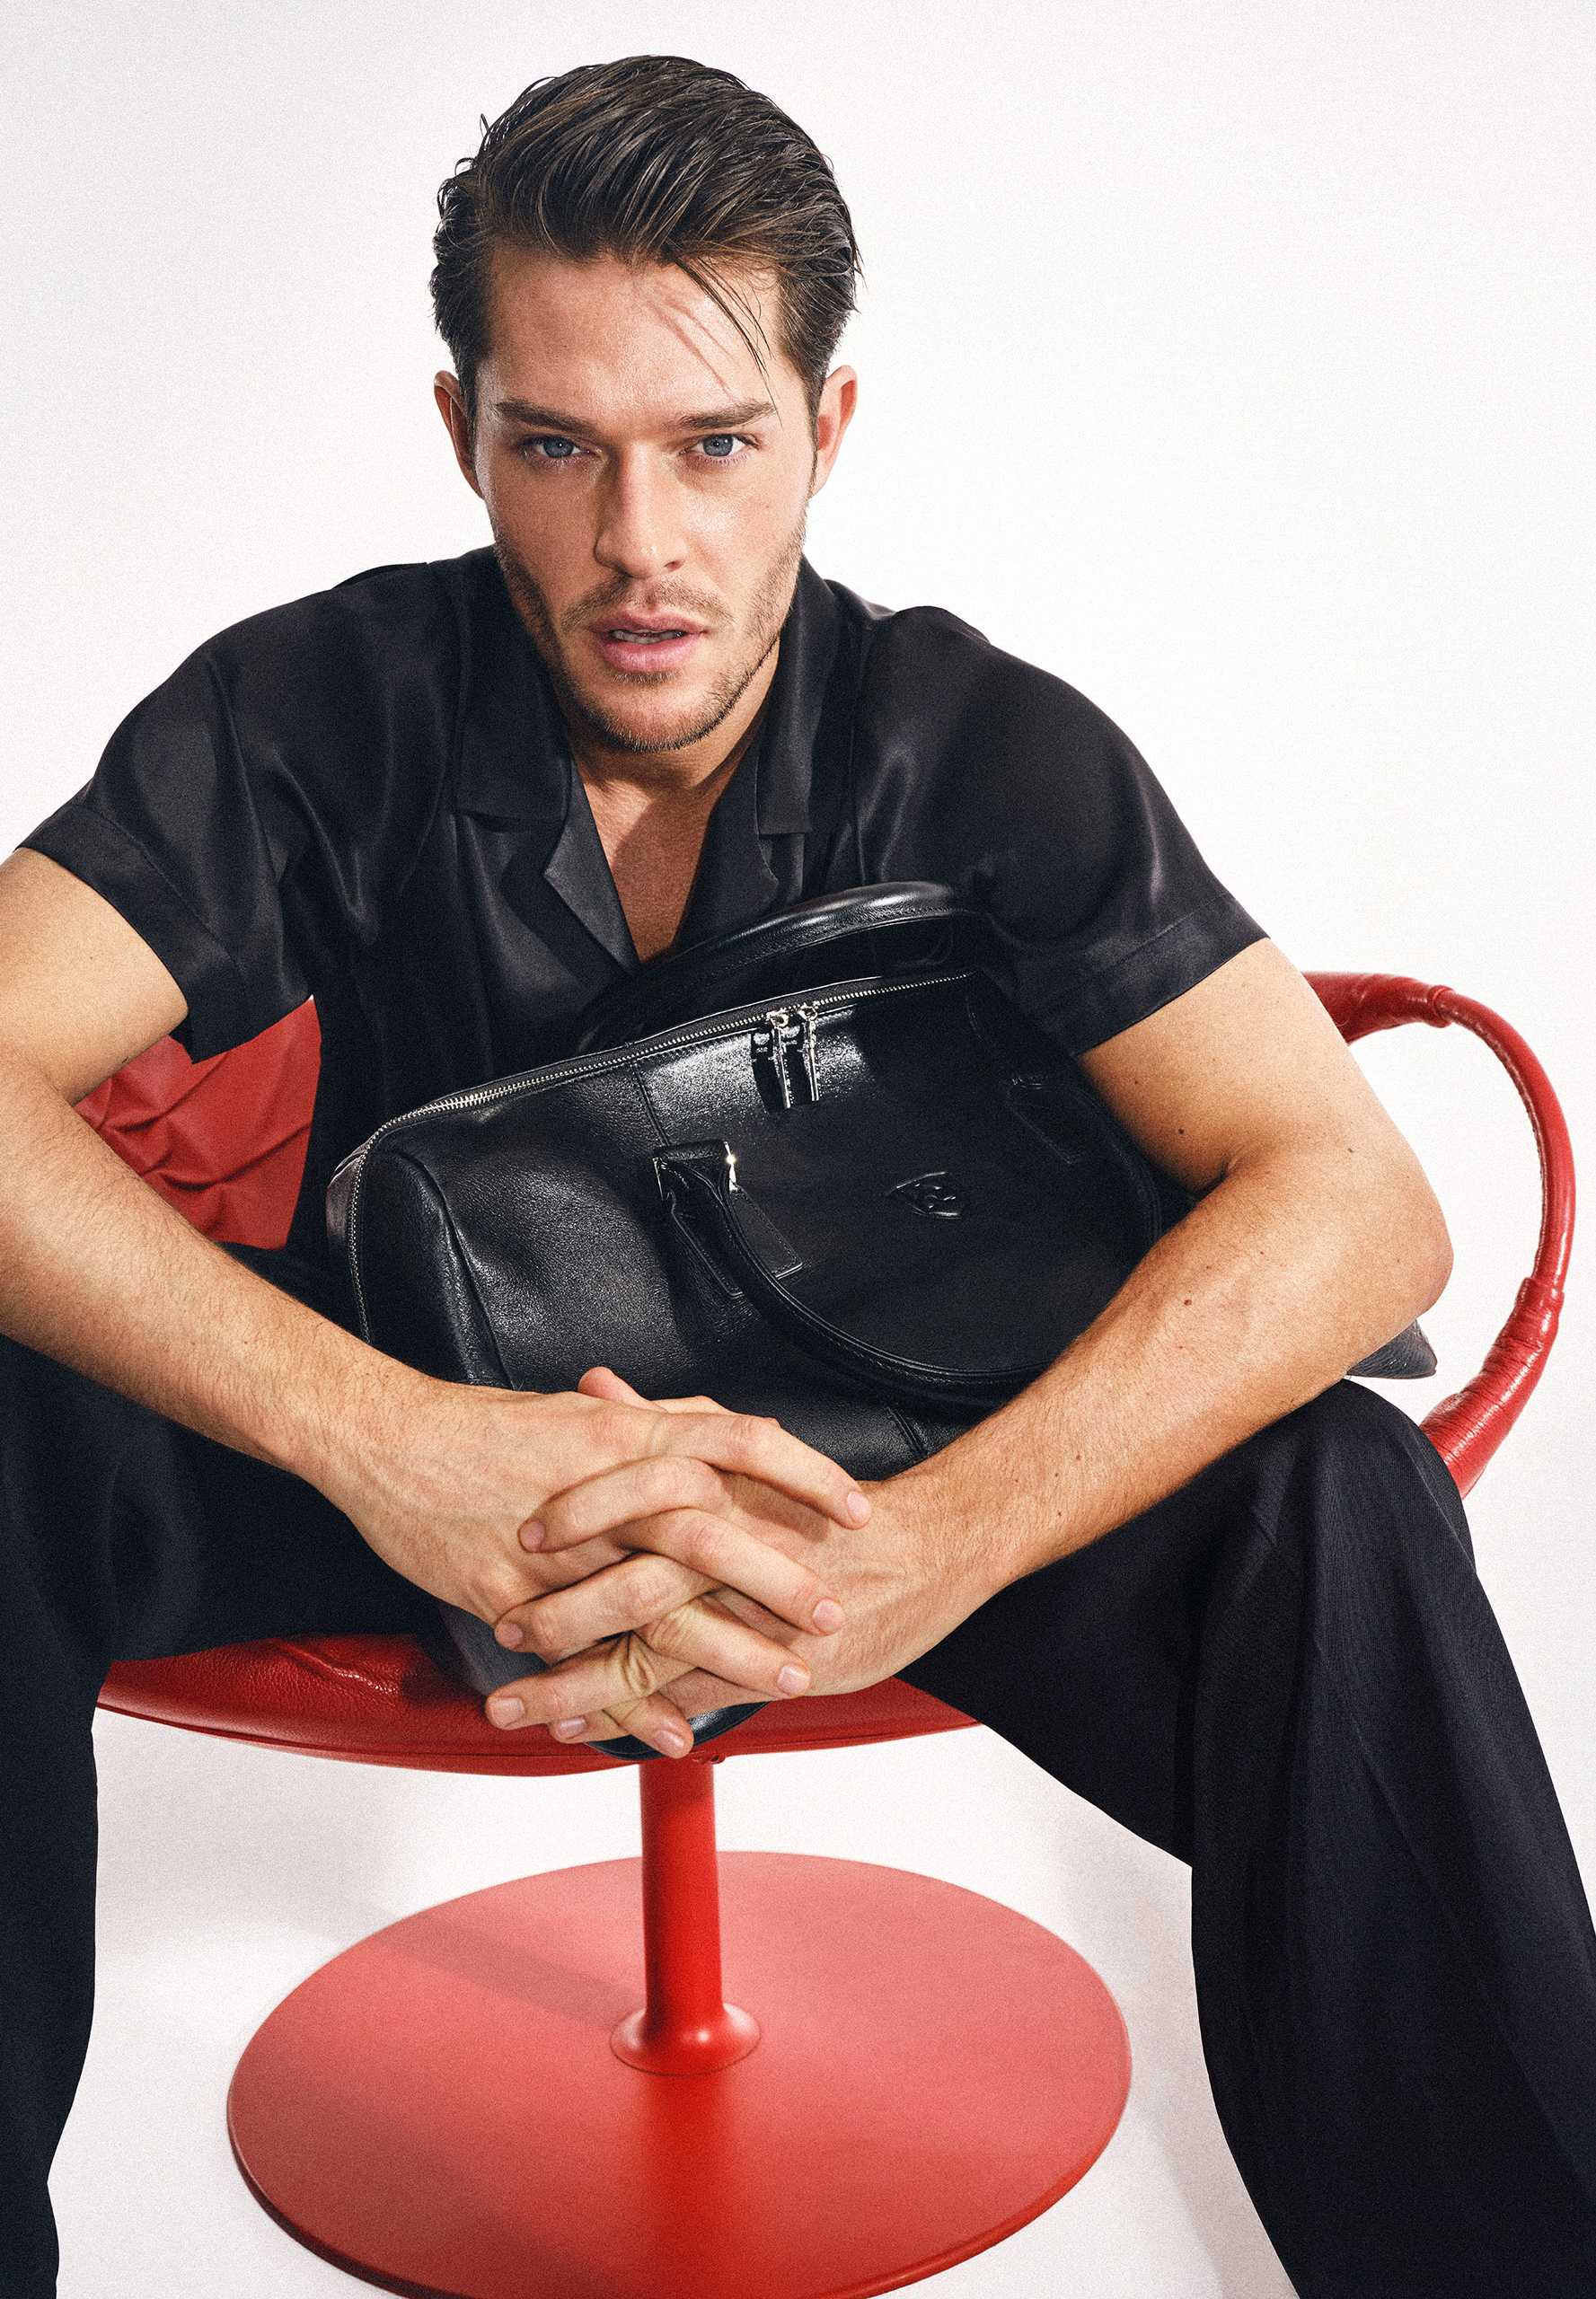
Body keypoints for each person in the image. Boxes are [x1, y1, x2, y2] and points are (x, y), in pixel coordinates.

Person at [1, 49, 1592, 2299]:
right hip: (412, 1455)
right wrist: (391, 1442)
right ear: (460, 431)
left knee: (1332, 1492)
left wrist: (925, 1547)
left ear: (827, 431)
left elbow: (1355, 1204)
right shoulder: (308, 706)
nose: (640, 542)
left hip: (896, 1463)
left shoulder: (980, 740)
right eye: (558, 446)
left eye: (715, 445)